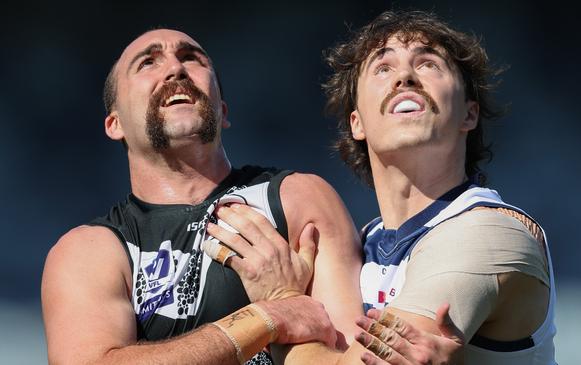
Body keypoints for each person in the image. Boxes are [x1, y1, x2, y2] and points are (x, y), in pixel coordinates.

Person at [215, 9, 557, 365]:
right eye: (383, 68)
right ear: (357, 123)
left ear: (469, 114)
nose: (405, 77)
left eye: (428, 64)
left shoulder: (489, 233)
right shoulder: (365, 243)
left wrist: (282, 304)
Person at [41, 29, 365, 365]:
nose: (175, 70)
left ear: (222, 111)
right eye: (148, 62)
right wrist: (267, 318)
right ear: (115, 123)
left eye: (191, 58)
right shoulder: (89, 251)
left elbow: (348, 356)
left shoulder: (295, 199)